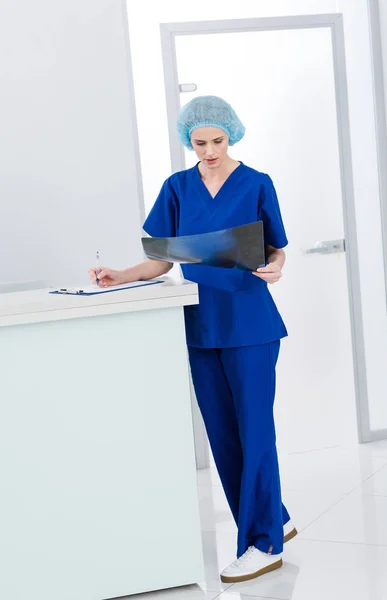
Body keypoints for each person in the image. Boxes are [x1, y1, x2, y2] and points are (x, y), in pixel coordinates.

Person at [89, 95, 296, 584]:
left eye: (217, 141)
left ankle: (262, 543)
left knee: (255, 430)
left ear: (232, 135)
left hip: (251, 323)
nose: (209, 151)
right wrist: (121, 275)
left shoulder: (256, 183)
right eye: (199, 143)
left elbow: (277, 250)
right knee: (224, 434)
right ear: (189, 141)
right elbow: (162, 258)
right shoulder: (178, 188)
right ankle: (275, 517)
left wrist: (275, 269)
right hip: (201, 325)